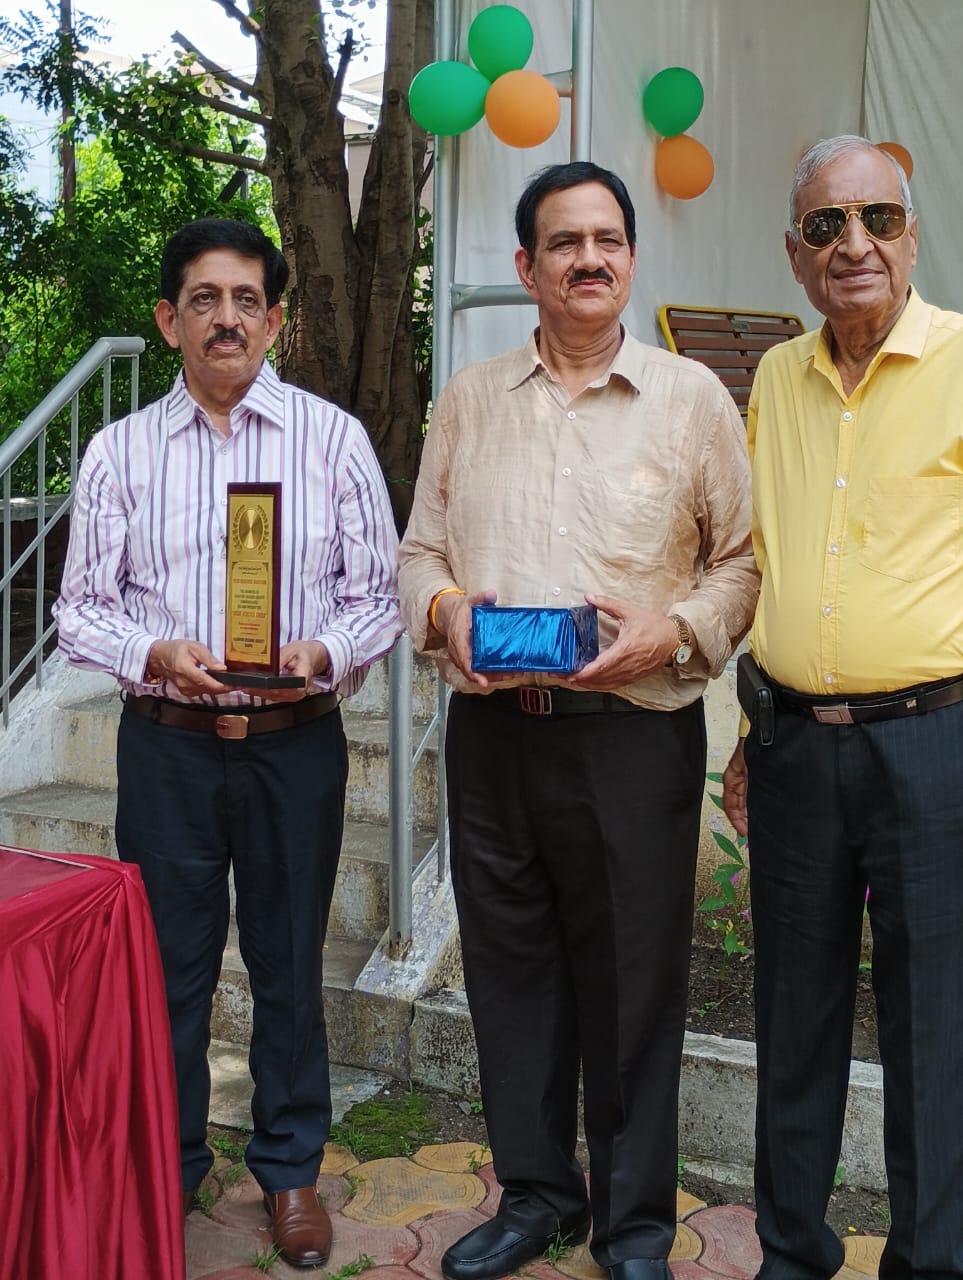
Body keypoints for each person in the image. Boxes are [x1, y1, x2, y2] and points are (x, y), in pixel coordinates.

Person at [398, 161, 758, 1280]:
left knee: (633, 982)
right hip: (495, 734)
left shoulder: (692, 399)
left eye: (607, 239)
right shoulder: (468, 399)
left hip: (630, 737)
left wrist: (674, 629)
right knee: (510, 972)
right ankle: (538, 1196)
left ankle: (635, 1224)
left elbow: (742, 563)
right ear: (527, 266)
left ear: (631, 258)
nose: (587, 259)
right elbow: (420, 552)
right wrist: (445, 611)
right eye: (564, 242)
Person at [55, 218, 401, 1269]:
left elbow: (378, 597)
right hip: (168, 747)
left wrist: (325, 649)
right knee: (169, 967)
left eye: (247, 299)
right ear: (169, 321)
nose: (227, 318)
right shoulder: (120, 452)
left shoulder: (331, 440)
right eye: (204, 299)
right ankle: (169, 1163)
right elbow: (79, 609)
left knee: (290, 962)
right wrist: (153, 651)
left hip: (295, 743)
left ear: (275, 319)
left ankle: (290, 1170)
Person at [722, 135, 963, 1280]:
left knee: (935, 1025)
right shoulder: (777, 377)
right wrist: (744, 733)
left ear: (912, 236)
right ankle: (792, 1253)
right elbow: (766, 559)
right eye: (826, 224)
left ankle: (930, 1259)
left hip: (933, 741)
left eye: (878, 218)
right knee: (794, 1015)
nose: (853, 243)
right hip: (791, 747)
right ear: (794, 252)